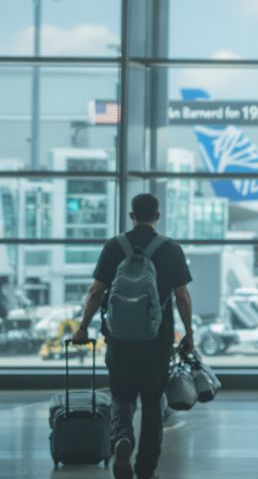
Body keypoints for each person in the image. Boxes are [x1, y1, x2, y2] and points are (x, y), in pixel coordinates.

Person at [72, 193, 193, 479]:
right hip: (157, 341)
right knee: (152, 405)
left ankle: (122, 439)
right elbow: (182, 296)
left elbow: (96, 292)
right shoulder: (170, 249)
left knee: (122, 396)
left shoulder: (115, 246)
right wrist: (189, 333)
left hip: (120, 341)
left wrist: (82, 326)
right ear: (158, 216)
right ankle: (146, 469)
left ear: (131, 215)